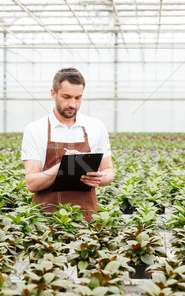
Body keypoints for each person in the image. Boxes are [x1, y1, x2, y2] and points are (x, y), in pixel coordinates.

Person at [21, 68, 115, 221]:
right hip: (46, 220)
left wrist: (100, 178)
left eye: (78, 98)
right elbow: (32, 183)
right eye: (66, 97)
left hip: (86, 218)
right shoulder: (35, 129)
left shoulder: (96, 127)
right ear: (53, 93)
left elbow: (108, 171)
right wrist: (62, 167)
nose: (73, 104)